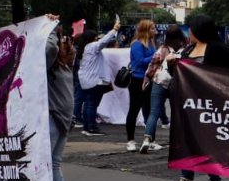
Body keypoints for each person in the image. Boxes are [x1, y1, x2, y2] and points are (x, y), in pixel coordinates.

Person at [172, 16, 229, 181]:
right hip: (189, 105)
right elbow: (180, 74)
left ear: (199, 30)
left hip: (210, 105)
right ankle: (186, 176)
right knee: (187, 140)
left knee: (209, 142)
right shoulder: (188, 49)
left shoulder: (217, 48)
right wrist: (171, 65)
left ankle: (214, 180)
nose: (189, 32)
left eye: (192, 29)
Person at [26, 17, 84, 181]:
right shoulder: (45, 62)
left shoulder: (63, 63)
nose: (64, 41)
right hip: (50, 117)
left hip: (62, 119)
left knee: (54, 161)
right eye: (61, 37)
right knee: (41, 161)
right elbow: (49, 49)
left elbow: (66, 51)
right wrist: (51, 29)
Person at [140, 25, 186, 153]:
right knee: (177, 114)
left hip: (159, 81)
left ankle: (147, 139)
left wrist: (146, 79)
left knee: (153, 112)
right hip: (177, 83)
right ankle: (177, 142)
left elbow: (153, 64)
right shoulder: (186, 49)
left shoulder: (163, 48)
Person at [76, 19, 121, 136]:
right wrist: (114, 29)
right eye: (96, 38)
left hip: (86, 81)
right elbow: (104, 41)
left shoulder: (83, 49)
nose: (97, 40)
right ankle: (92, 128)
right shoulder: (92, 47)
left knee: (88, 104)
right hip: (95, 81)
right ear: (92, 39)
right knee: (92, 105)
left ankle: (87, 127)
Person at [122, 20, 157, 152]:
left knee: (149, 110)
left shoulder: (151, 44)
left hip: (149, 79)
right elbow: (139, 61)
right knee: (134, 110)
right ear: (146, 30)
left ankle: (150, 139)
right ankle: (130, 140)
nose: (155, 31)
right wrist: (154, 57)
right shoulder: (137, 44)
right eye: (152, 29)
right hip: (137, 79)